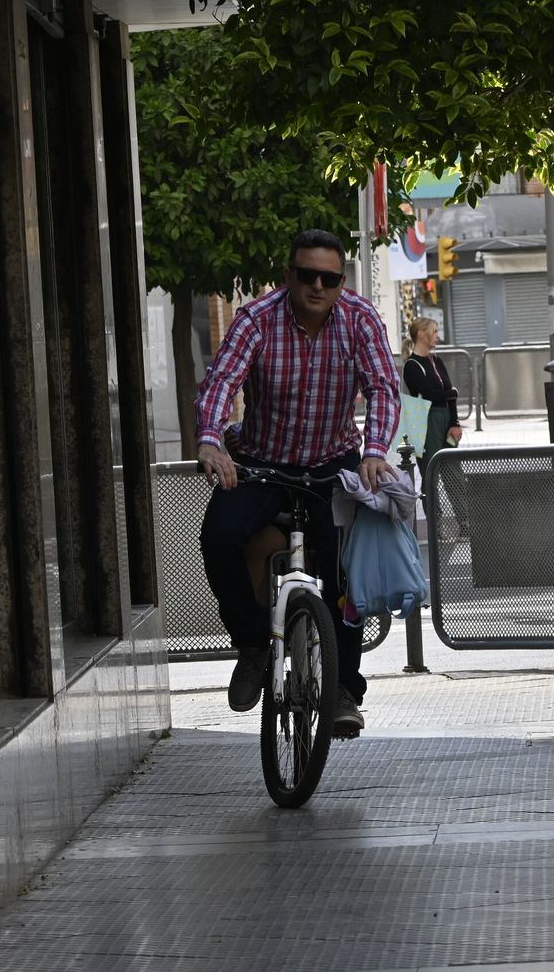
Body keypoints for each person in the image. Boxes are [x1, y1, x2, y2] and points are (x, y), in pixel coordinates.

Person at [195, 229, 401, 735]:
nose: (316, 286)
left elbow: (383, 389)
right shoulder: (256, 319)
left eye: (328, 278)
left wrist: (373, 453)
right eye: (306, 275)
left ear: (341, 282)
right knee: (218, 535)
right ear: (288, 276)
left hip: (332, 465)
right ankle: (251, 647)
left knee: (342, 571)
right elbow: (222, 381)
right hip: (262, 464)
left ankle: (343, 690)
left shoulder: (360, 320)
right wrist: (210, 439)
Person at [401, 317, 461, 506]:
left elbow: (447, 396)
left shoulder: (437, 361)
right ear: (421, 334)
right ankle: (437, 530)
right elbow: (428, 394)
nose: (437, 336)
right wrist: (451, 393)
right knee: (430, 475)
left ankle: (465, 523)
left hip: (444, 419)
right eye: (434, 332)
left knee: (454, 474)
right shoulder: (412, 365)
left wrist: (455, 423)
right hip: (425, 422)